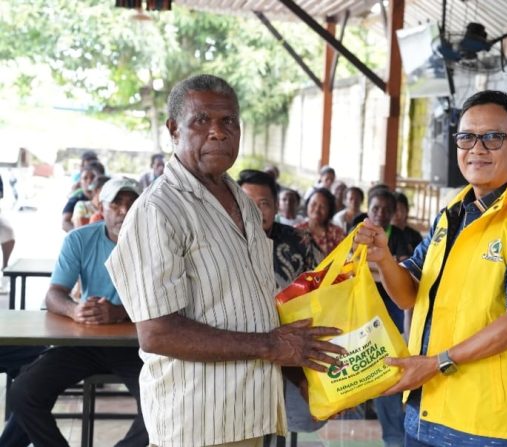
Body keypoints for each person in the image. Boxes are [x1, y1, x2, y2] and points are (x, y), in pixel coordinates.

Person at [106, 74, 345, 447]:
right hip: (196, 422)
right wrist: (271, 345)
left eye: (228, 121)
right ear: (173, 129)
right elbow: (157, 333)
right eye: (201, 120)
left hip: (247, 415)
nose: (217, 132)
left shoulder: (245, 205)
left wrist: (302, 374)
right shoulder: (158, 210)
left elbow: (253, 305)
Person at [354, 90, 507, 446]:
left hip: (484, 425)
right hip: (425, 410)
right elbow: (409, 293)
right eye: (467, 137)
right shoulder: (453, 212)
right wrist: (384, 259)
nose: (477, 148)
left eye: (493, 137)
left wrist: (436, 362)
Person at [8, 177, 148, 447]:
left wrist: (118, 312)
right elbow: (54, 294)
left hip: (138, 343)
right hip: (84, 342)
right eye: (116, 203)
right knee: (23, 393)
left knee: (163, 404)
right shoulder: (80, 239)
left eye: (132, 204)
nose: (124, 210)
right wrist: (75, 310)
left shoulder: (156, 244)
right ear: (101, 206)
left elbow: (168, 302)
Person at [237, 169, 326, 439]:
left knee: (311, 415)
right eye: (246, 203)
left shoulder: (301, 242)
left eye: (263, 203)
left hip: (293, 353)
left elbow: (325, 295)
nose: (255, 211)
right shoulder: (219, 246)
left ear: (276, 207)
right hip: (238, 356)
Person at [364, 188, 416, 447]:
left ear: (395, 212)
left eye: (386, 209)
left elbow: (412, 285)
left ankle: (398, 436)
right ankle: (393, 437)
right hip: (366, 315)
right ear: (368, 209)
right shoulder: (358, 235)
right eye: (375, 208)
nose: (380, 214)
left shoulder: (409, 238)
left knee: (393, 368)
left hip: (399, 314)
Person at [295, 188, 345, 259]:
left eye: (322, 206)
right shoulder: (296, 231)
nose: (317, 210)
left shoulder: (337, 233)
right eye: (313, 204)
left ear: (329, 210)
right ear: (307, 205)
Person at [62, 161, 105, 232]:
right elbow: (65, 222)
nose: (89, 181)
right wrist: (80, 235)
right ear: (80, 182)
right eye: (85, 178)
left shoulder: (106, 200)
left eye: (93, 177)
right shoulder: (75, 199)